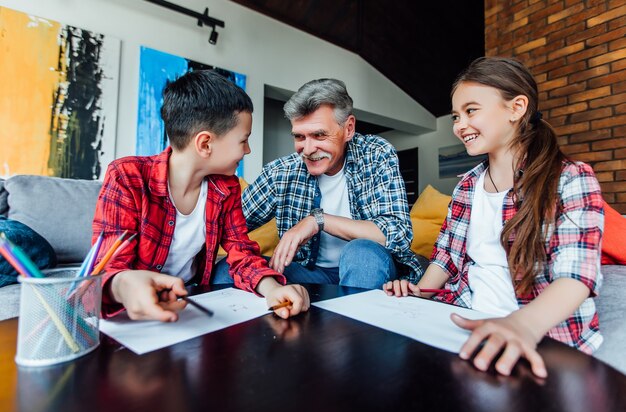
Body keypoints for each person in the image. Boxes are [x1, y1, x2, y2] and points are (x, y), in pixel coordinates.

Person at [384, 57, 604, 378]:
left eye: (471, 111)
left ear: (516, 108)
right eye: (456, 116)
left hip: (542, 335)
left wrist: (521, 325)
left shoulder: (570, 178)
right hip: (465, 321)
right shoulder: (467, 186)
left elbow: (576, 277)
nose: (459, 125)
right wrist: (419, 294)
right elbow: (446, 256)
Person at [92, 70, 309, 322]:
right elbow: (107, 268)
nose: (248, 150)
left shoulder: (226, 188)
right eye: (244, 140)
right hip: (132, 314)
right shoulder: (127, 177)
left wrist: (274, 289)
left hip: (192, 303)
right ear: (205, 144)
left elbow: (241, 253)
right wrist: (125, 284)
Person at [213, 78, 425, 289]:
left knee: (361, 252)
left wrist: (318, 221)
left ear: (348, 128)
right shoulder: (280, 172)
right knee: (227, 271)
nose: (307, 149)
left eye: (319, 135)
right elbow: (224, 225)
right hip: (309, 273)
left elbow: (398, 232)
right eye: (299, 137)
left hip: (369, 266)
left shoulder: (376, 153)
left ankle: (352, 322)